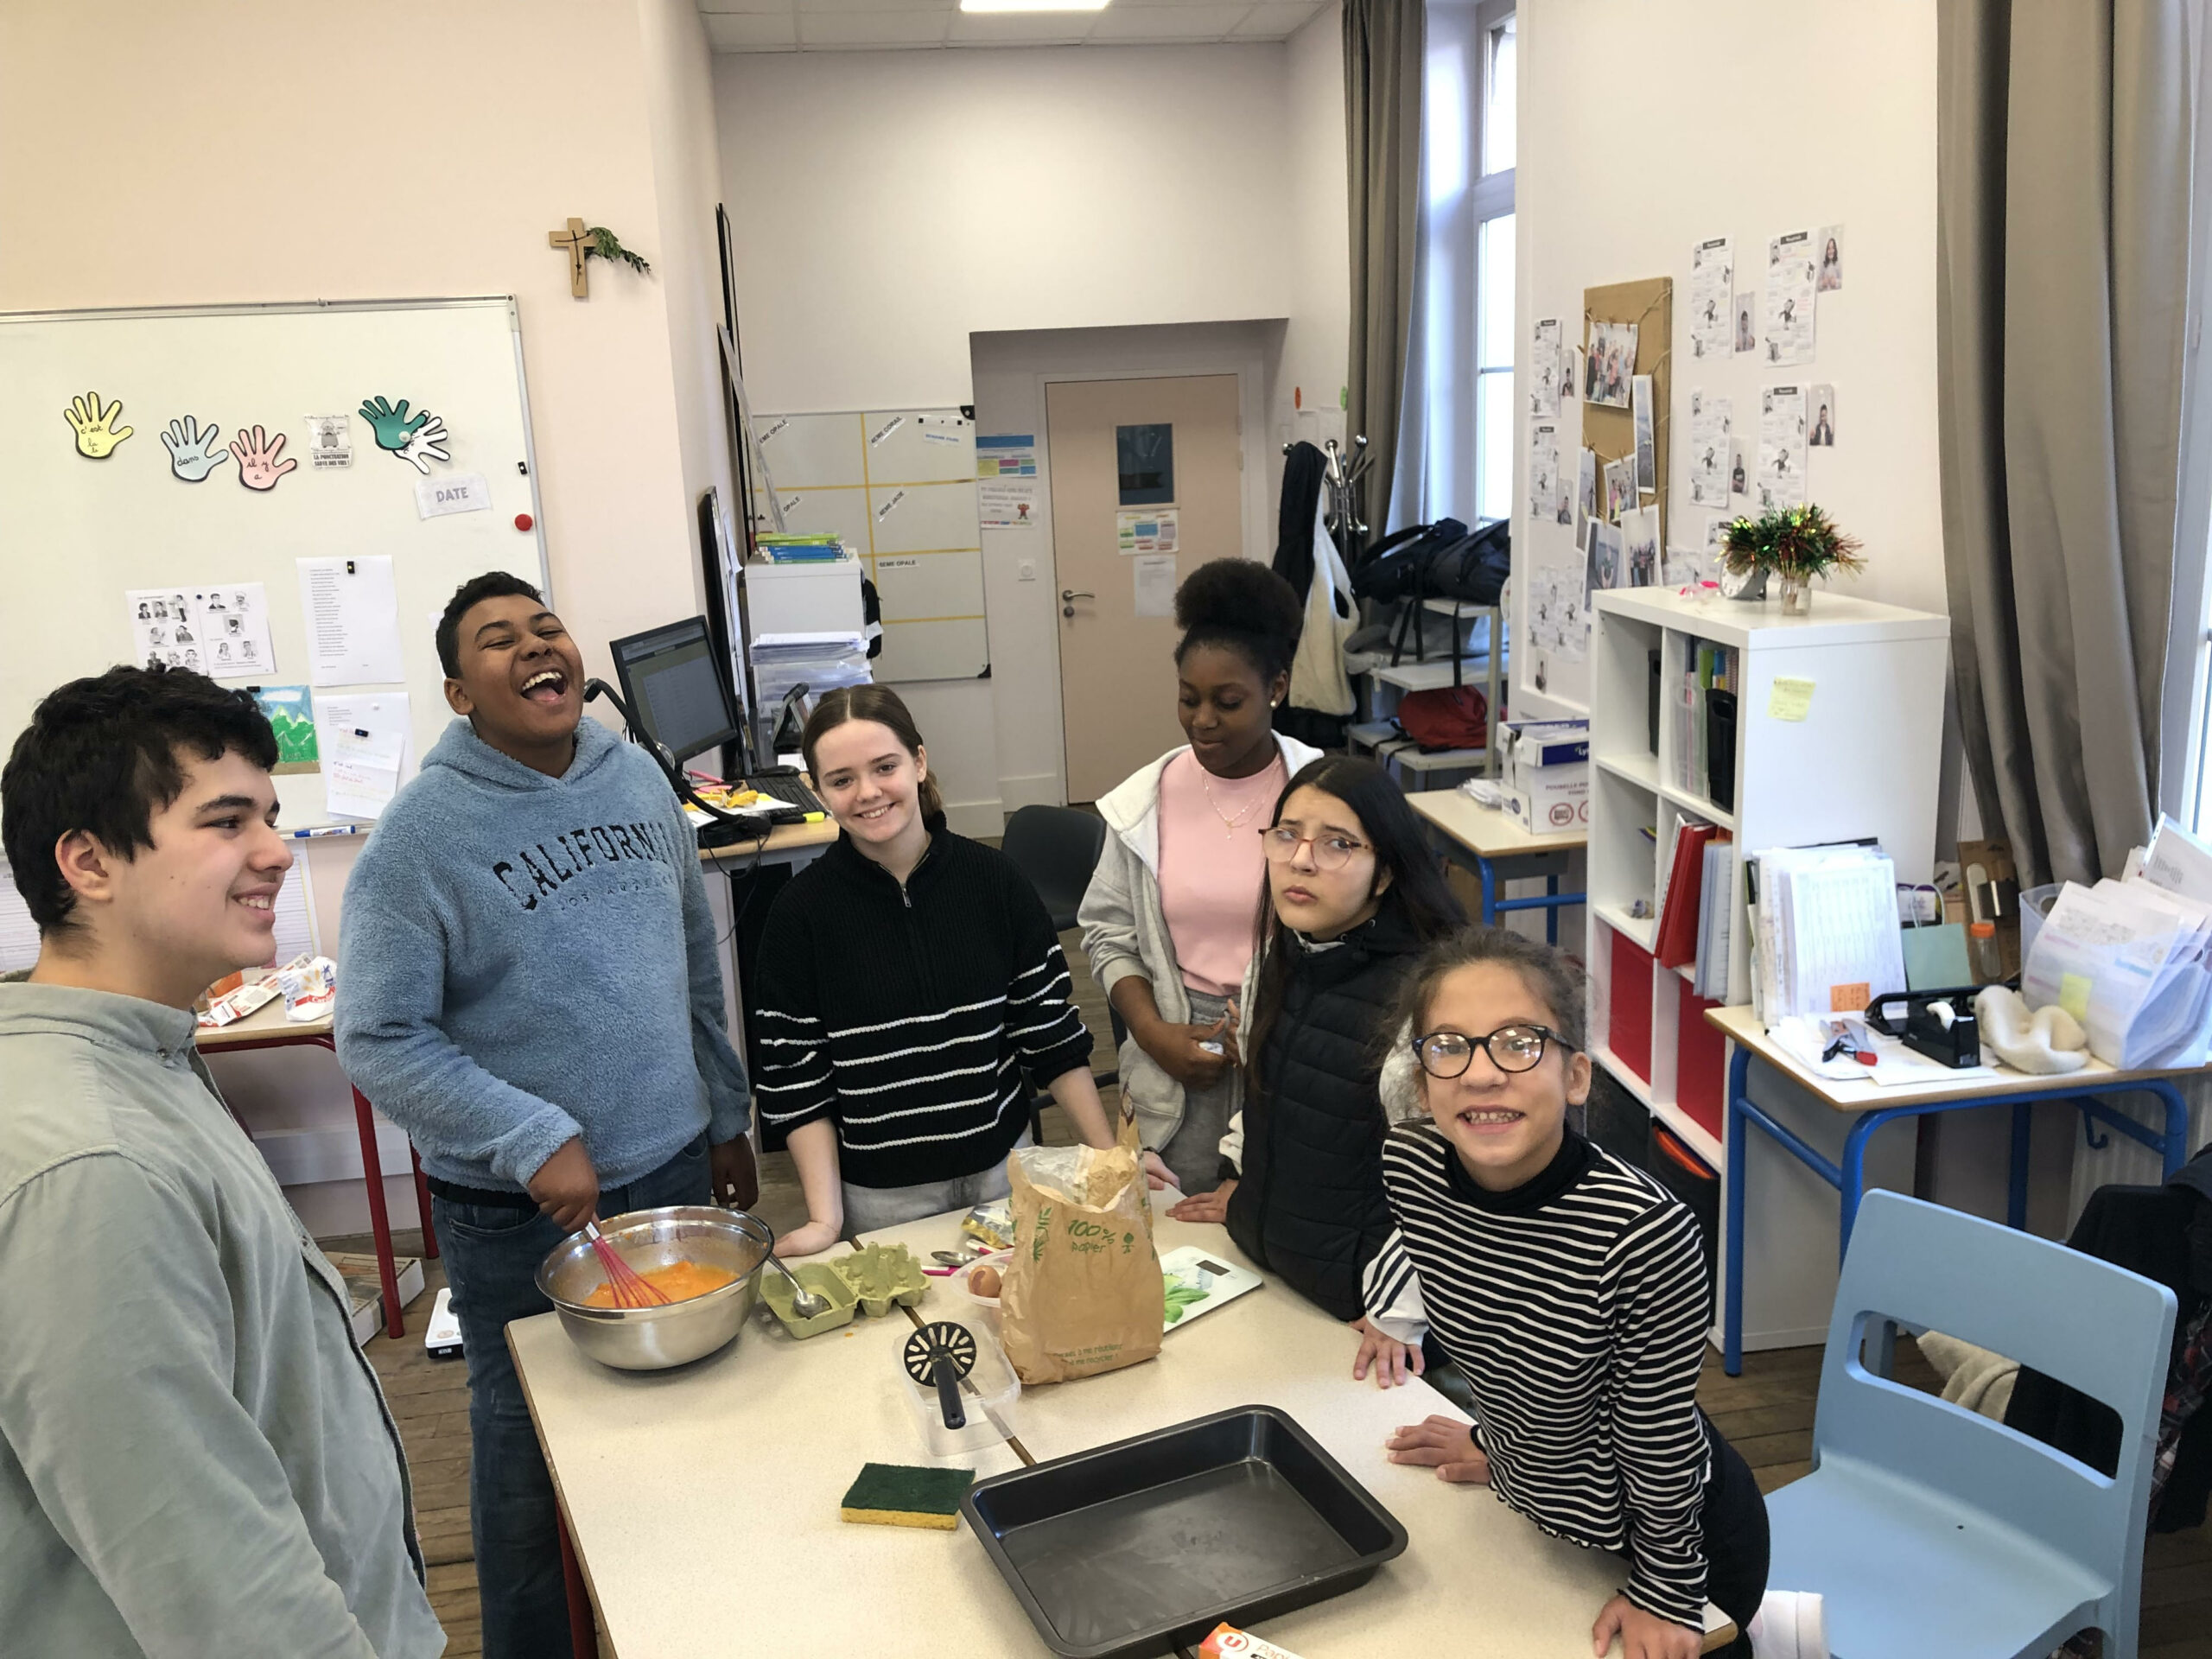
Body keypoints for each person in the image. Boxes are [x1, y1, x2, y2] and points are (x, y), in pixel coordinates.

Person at [335, 572, 753, 1658]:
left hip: (667, 1169)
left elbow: (692, 962)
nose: (533, 648)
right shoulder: (419, 838)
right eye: (496, 641)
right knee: (526, 1447)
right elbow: (375, 1035)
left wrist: (725, 1112)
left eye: (545, 627)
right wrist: (528, 1137)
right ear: (457, 692)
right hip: (517, 1210)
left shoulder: (637, 782)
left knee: (684, 1418)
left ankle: (689, 1619)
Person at [0, 664, 443, 1658]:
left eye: (272, 817)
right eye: (227, 820)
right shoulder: (91, 1162)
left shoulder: (148, 1058)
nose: (277, 853)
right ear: (88, 862)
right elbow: (210, 1579)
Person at [1360, 928, 1768, 1659]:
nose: (1483, 1075)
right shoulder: (1410, 1166)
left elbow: (1656, 1433)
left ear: (1575, 1077)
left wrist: (1666, 1592)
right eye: (1450, 1046)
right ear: (1422, 1084)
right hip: (1543, 1513)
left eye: (1518, 1042)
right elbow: (1493, 1322)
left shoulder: (1643, 1233)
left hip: (1674, 1544)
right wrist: (1503, 1449)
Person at [753, 685, 1119, 1250]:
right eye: (842, 779)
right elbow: (798, 1082)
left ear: (919, 763)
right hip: (880, 1201)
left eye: (885, 767)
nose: (868, 793)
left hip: (1004, 1172)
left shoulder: (995, 883)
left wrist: (1106, 1158)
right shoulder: (799, 916)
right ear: (817, 790)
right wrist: (825, 1221)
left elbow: (1050, 1036)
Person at [1165, 758, 1462, 1363]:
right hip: (1268, 1271)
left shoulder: (1427, 1000)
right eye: (1286, 835)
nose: (1301, 860)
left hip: (1362, 1315)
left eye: (1337, 845)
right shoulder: (1282, 954)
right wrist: (1241, 1184)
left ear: (1383, 874)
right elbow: (1264, 1093)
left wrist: (1401, 1316)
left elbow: (1449, 1187)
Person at [1080, 559, 1321, 1197]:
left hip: (1292, 1054)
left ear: (1277, 687)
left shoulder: (1324, 797)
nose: (1202, 720)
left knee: (1280, 1229)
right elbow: (1109, 934)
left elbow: (1368, 940)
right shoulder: (1144, 802)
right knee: (1176, 1245)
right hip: (1177, 1059)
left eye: (1228, 701)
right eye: (1189, 698)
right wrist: (1153, 1034)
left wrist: (1273, 1024)